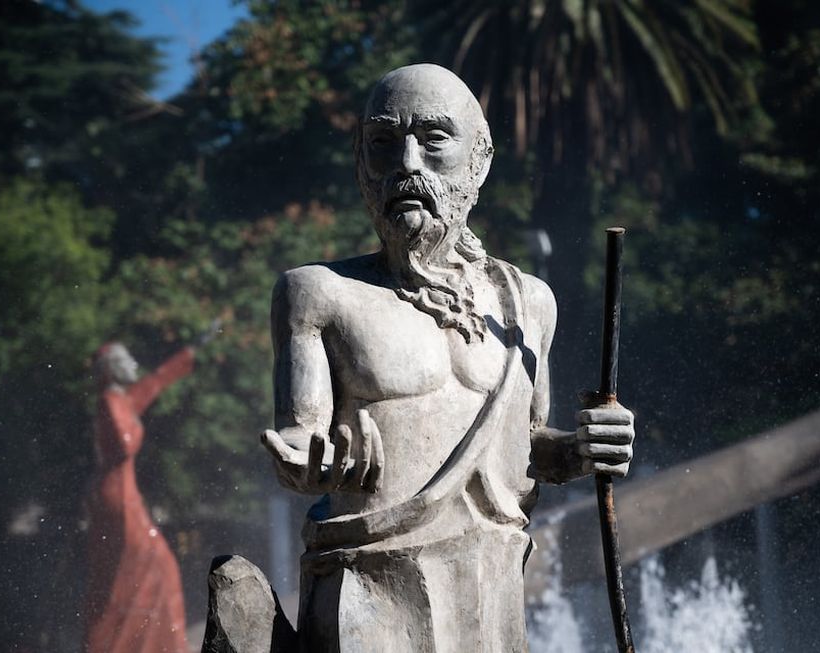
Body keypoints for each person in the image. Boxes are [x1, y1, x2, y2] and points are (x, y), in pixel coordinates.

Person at [260, 63, 635, 651]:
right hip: (368, 582)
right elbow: (299, 441)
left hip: (491, 583)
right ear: (362, 163)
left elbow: (530, 447)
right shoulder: (318, 293)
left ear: (479, 159)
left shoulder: (527, 302)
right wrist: (313, 461)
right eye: (383, 144)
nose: (407, 164)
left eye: (433, 140)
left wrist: (585, 448)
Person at [84, 327, 216, 653]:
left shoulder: (121, 401)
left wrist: (192, 349)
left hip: (123, 494)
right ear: (112, 369)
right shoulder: (110, 402)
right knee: (144, 571)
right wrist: (131, 422)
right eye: (126, 360)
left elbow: (156, 382)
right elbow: (124, 443)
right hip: (118, 500)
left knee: (146, 572)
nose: (134, 364)